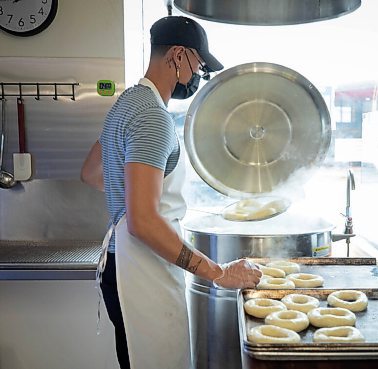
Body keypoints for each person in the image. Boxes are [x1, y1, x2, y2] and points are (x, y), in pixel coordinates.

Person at [80, 16, 262, 369]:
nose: (198, 75)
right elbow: (144, 223)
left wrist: (132, 191)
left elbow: (91, 172)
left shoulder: (125, 103)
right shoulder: (152, 116)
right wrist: (218, 273)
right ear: (178, 55)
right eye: (199, 65)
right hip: (142, 269)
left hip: (123, 265)